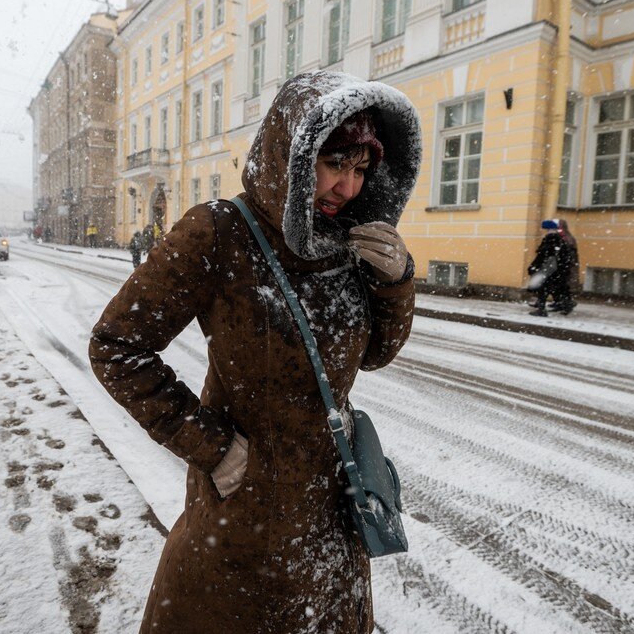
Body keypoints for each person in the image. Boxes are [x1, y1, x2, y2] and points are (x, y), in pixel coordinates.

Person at [88, 71, 421, 633]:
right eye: (335, 163)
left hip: (333, 514)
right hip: (243, 517)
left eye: (361, 169)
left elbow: (374, 355)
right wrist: (212, 447)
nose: (348, 188)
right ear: (293, 153)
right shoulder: (219, 233)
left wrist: (395, 282)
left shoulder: (345, 238)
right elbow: (117, 346)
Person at [527, 218, 579, 316]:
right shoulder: (561, 239)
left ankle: (541, 310)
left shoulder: (550, 238)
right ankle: (566, 304)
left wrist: (534, 266)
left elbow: (543, 255)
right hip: (558, 269)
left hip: (549, 269)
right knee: (557, 288)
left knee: (543, 288)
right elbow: (564, 255)